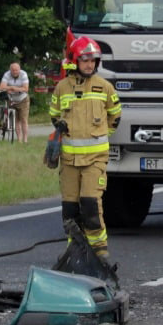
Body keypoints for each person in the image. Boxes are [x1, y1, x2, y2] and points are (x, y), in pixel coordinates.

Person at [48, 37, 122, 267]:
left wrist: (100, 136)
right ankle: (75, 249)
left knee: (90, 203)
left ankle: (100, 252)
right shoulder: (62, 88)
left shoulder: (104, 87)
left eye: (93, 60)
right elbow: (54, 114)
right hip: (69, 160)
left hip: (95, 160)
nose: (90, 64)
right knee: (70, 208)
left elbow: (115, 115)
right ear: (74, 61)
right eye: (85, 60)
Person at [0, 60, 31, 142]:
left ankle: (25, 139)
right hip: (12, 100)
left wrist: (12, 88)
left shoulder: (24, 74)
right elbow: (1, 87)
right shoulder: (7, 74)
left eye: (16, 70)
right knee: (15, 120)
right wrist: (13, 88)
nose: (15, 72)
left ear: (19, 69)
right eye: (13, 70)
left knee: (24, 119)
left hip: (23, 100)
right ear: (10, 70)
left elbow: (26, 89)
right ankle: (19, 139)